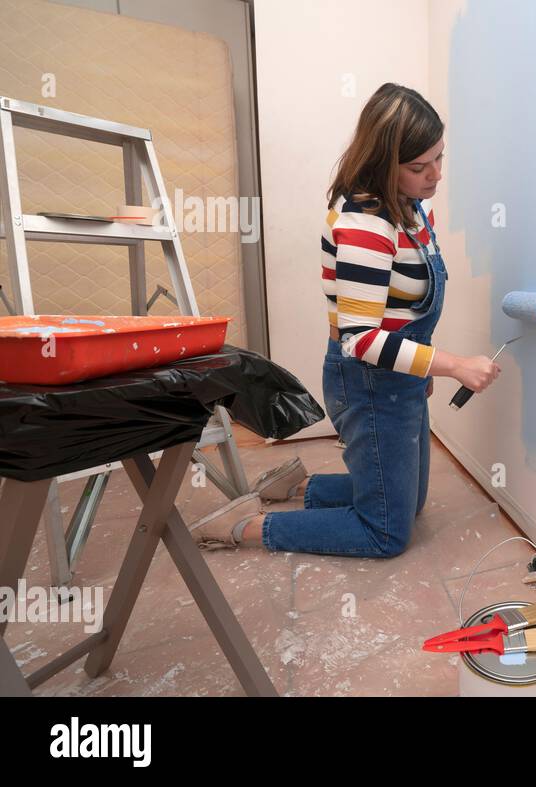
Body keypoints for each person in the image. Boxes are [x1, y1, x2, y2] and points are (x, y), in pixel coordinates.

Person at [189, 83, 499, 557]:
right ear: (383, 162)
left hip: (400, 375)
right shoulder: (365, 224)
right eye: (419, 167)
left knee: (409, 505)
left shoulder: (410, 204)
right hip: (369, 380)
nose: (435, 174)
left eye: (440, 157)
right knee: (386, 534)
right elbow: (361, 339)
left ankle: (299, 488)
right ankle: (244, 526)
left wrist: (423, 370)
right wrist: (453, 365)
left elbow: (401, 308)